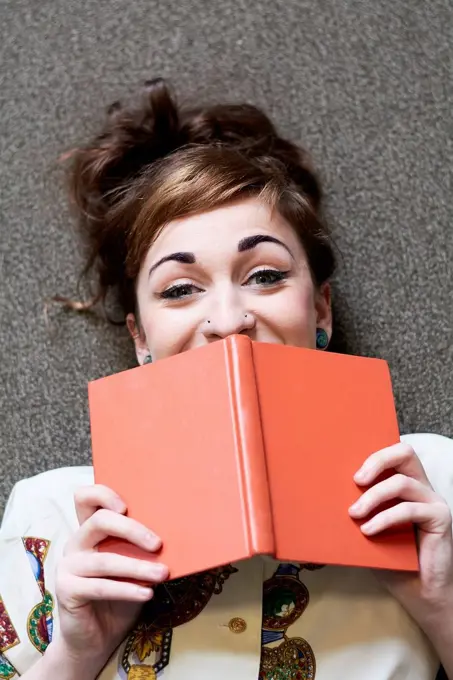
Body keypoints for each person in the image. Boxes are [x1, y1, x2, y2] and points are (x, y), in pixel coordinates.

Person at [0, 77, 452, 680]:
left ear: (319, 308)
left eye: (265, 275)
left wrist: (443, 606)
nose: (229, 320)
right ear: (141, 338)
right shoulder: (53, 516)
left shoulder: (431, 484)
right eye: (181, 289)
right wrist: (77, 651)